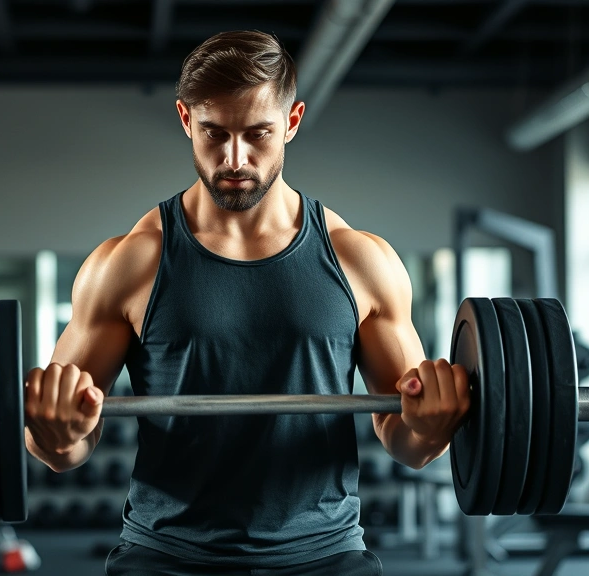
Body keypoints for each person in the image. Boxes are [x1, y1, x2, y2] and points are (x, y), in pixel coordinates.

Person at [23, 30, 470, 576]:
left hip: (325, 556)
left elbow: (407, 442)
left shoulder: (361, 261)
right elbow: (65, 445)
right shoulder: (130, 263)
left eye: (258, 133)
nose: (234, 158)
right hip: (167, 557)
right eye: (214, 133)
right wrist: (57, 435)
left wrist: (429, 427)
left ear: (292, 121)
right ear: (186, 120)